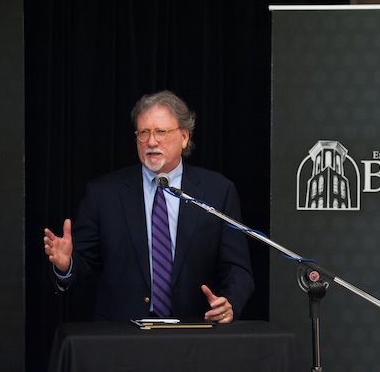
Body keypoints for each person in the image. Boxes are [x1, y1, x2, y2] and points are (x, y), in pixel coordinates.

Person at [43, 90, 254, 323]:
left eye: (161, 132)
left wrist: (229, 302)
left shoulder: (217, 192)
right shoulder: (104, 194)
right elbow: (84, 264)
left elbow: (237, 268)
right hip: (121, 335)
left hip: (195, 331)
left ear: (184, 137)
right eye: (144, 133)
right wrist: (66, 265)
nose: (151, 142)